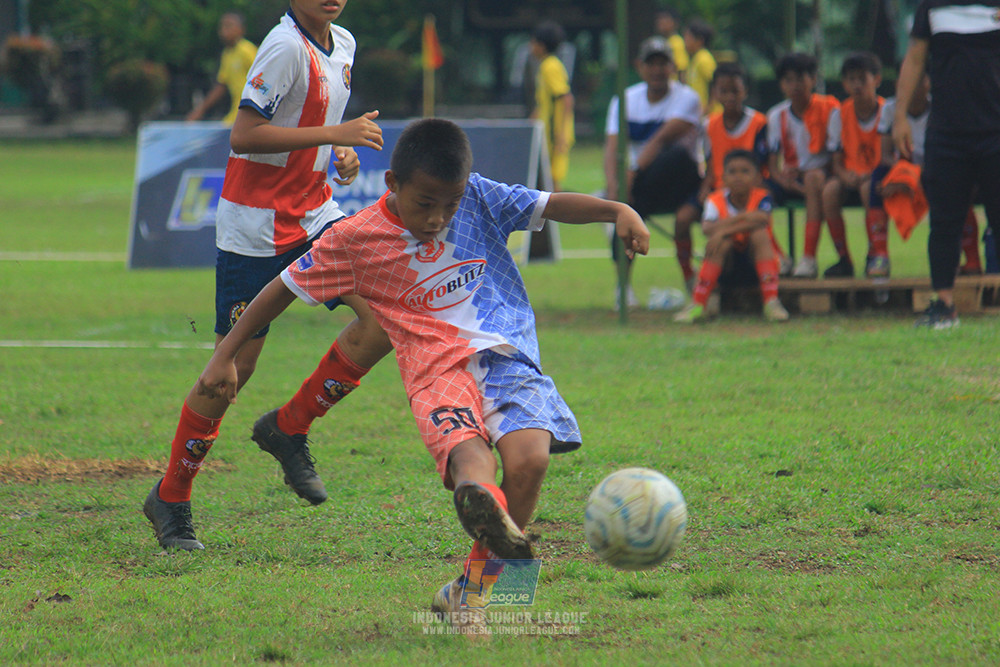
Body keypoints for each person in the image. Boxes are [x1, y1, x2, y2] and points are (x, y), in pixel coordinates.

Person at [192, 118, 650, 631]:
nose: (437, 218)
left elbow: (549, 205)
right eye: (425, 203)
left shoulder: (479, 196)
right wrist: (225, 353)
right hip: (435, 369)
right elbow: (282, 287)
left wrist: (618, 210)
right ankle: (481, 519)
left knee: (531, 460)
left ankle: (472, 588)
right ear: (392, 183)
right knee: (472, 459)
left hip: (508, 357)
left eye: (449, 205)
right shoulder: (355, 238)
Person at [143, 0, 392, 551]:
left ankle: (290, 425)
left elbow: (311, 125)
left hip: (315, 214)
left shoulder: (344, 43)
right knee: (231, 370)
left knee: (383, 318)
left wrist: (341, 151)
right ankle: (171, 496)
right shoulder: (282, 48)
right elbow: (245, 135)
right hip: (254, 228)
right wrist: (336, 132)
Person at [893, 0, 1000, 329]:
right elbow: (914, 60)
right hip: (947, 133)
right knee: (944, 222)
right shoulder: (931, 7)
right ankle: (944, 305)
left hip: (996, 131)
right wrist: (900, 117)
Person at [604, 36, 701, 306]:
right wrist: (614, 187)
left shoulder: (688, 98)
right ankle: (623, 286)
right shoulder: (624, 100)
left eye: (663, 63)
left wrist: (630, 175)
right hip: (643, 186)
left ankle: (693, 280)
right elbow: (612, 148)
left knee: (674, 155)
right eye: (651, 64)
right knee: (623, 210)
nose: (657, 70)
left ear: (673, 67)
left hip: (682, 182)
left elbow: (662, 140)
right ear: (640, 66)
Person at [673, 62, 779, 291]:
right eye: (724, 91)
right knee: (682, 219)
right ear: (715, 93)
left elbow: (764, 165)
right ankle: (689, 276)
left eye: (735, 90)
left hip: (750, 192)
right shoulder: (709, 124)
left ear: (745, 91)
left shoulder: (759, 123)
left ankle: (774, 258)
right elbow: (711, 165)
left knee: (756, 224)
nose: (730, 96)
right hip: (719, 191)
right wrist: (705, 189)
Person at [875, 72, 982, 276]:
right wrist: (908, 174)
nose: (914, 85)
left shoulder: (942, 108)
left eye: (920, 79)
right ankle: (878, 255)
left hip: (939, 168)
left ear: (929, 83)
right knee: (875, 181)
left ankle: (971, 260)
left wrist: (920, 175)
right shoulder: (891, 109)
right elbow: (886, 155)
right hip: (905, 169)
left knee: (959, 185)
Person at [674, 150, 789, 323]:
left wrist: (723, 230)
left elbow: (762, 219)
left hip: (755, 266)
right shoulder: (714, 200)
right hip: (725, 266)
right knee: (722, 242)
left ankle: (772, 302)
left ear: (758, 177)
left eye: (745, 171)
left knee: (759, 234)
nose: (738, 177)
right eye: (732, 172)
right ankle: (698, 303)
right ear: (723, 178)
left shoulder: (762, 197)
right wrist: (746, 218)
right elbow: (707, 228)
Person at [766, 52, 840, 279]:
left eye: (800, 78)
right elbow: (773, 165)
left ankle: (809, 257)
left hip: (822, 174)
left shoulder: (830, 109)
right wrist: (784, 181)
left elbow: (835, 156)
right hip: (791, 177)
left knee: (813, 178)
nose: (795, 85)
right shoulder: (776, 115)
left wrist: (805, 179)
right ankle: (779, 258)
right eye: (788, 80)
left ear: (813, 79)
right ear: (781, 85)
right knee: (755, 195)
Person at [821, 52, 886, 278]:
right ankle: (843, 259)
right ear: (844, 83)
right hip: (849, 175)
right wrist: (844, 174)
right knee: (829, 191)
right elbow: (836, 160)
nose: (857, 85)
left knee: (869, 189)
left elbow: (890, 154)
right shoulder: (839, 114)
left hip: (878, 176)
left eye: (862, 78)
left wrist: (871, 174)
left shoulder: (887, 111)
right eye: (851, 79)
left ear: (876, 80)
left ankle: (875, 253)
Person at [186, 12, 258, 124]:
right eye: (222, 26)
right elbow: (222, 85)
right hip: (235, 114)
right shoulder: (227, 54)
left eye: (229, 26)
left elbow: (262, 77)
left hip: (248, 114)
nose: (224, 30)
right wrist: (200, 110)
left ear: (241, 29)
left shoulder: (247, 50)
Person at [529, 21, 574, 192]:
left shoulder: (551, 66)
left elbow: (566, 98)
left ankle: (562, 208)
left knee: (553, 182)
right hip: (546, 134)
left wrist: (561, 134)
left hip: (555, 135)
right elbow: (544, 102)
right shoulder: (545, 66)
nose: (530, 47)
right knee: (545, 180)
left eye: (533, 42)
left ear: (541, 46)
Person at [682, 18, 718, 115]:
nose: (685, 41)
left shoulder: (704, 58)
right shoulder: (695, 59)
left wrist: (708, 108)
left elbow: (716, 84)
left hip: (710, 115)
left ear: (699, 41)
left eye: (688, 37)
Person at [654, 7, 689, 78]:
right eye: (659, 19)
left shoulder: (676, 42)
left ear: (674, 23)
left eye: (665, 19)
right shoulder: (666, 41)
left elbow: (681, 70)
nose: (661, 22)